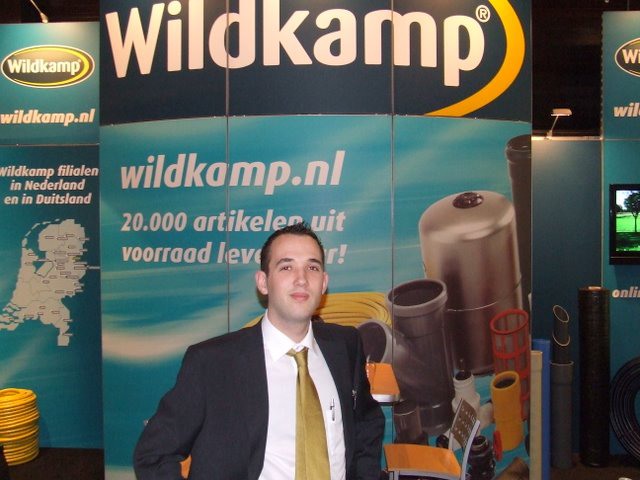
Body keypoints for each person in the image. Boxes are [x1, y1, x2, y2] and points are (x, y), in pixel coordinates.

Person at [133, 222, 385, 479]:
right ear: (263, 282)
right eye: (286, 267)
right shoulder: (212, 363)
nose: (301, 279)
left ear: (324, 283)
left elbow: (367, 423)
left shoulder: (345, 346)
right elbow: (153, 454)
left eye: (312, 267)